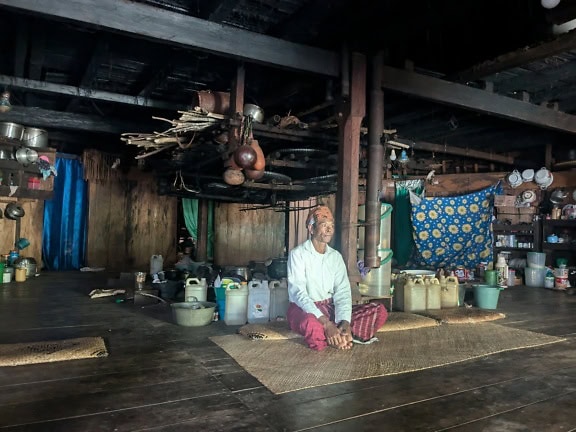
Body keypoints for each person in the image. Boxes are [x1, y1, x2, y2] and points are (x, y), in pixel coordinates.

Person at [287, 205, 388, 351]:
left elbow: (342, 292)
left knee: (379, 310)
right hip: (304, 309)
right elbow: (298, 294)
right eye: (324, 225)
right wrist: (327, 324)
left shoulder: (335, 257)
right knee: (311, 324)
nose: (329, 230)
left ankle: (340, 335)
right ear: (311, 228)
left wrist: (344, 323)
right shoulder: (298, 254)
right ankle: (335, 337)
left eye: (331, 226)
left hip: (329, 308)